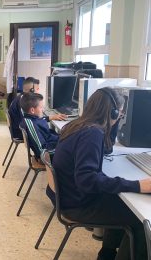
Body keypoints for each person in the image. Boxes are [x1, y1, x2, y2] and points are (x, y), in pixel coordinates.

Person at [47, 87, 151, 260]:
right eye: (120, 113)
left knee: (118, 198)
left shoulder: (78, 125)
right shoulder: (91, 133)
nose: (120, 117)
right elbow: (87, 181)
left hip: (67, 197)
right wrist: (137, 185)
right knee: (141, 220)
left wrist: (113, 122)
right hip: (77, 205)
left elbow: (107, 148)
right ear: (113, 111)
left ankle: (106, 255)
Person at [20, 92, 59, 158]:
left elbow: (39, 120)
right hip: (48, 157)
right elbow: (42, 151)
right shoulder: (31, 125)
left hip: (52, 142)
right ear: (32, 110)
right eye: (41, 107)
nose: (43, 110)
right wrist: (63, 148)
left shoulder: (31, 118)